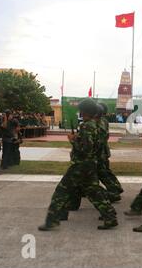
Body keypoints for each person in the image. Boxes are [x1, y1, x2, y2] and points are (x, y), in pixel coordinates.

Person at [38, 98, 117, 231]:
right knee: (93, 192)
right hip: (90, 164)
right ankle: (110, 217)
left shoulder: (87, 126)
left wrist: (73, 141)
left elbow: (86, 149)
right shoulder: (96, 124)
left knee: (61, 191)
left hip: (81, 165)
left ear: (85, 111)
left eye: (81, 110)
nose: (79, 112)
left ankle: (52, 220)